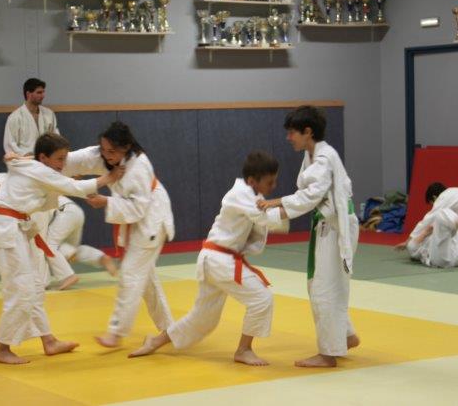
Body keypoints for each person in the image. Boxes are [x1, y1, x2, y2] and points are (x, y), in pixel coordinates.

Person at [128, 151, 288, 365]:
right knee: (262, 298)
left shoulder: (253, 196)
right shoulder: (240, 194)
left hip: (215, 260)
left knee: (203, 319)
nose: (274, 186)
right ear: (252, 180)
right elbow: (265, 218)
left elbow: (262, 221)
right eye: (270, 182)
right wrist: (299, 203)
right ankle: (244, 350)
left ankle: (155, 341)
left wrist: (288, 207)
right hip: (220, 260)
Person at [0, 133, 123, 364]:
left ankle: (49, 341)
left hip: (17, 232)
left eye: (65, 158)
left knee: (34, 286)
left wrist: (20, 159)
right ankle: (2, 347)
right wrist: (110, 177)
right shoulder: (35, 169)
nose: (63, 164)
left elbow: (51, 190)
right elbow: (74, 187)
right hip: (7, 235)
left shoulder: (34, 169)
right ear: (43, 157)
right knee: (23, 290)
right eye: (59, 159)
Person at [257, 105, 360, 368]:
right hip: (329, 224)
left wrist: (274, 204)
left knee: (323, 287)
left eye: (292, 132)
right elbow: (306, 196)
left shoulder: (324, 158)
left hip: (336, 226)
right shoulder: (313, 155)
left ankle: (328, 353)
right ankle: (345, 336)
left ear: (308, 132)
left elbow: (309, 197)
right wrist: (274, 211)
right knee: (326, 285)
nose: (288, 137)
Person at [62, 121, 175, 349]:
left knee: (130, 275)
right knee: (145, 279)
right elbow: (70, 160)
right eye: (103, 149)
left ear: (126, 147)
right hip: (135, 218)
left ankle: (116, 332)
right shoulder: (102, 155)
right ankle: (169, 329)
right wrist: (33, 164)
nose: (106, 155)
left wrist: (106, 201)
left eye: (112, 151)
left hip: (151, 219)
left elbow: (138, 208)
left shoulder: (139, 167)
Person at [2, 77, 97, 289]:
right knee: (36, 233)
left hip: (48, 173)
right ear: (28, 93)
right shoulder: (15, 118)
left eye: (43, 92)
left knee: (40, 233)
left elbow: (58, 145)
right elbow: (10, 151)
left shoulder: (49, 115)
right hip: (29, 175)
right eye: (38, 92)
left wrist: (66, 169)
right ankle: (45, 277)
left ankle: (44, 279)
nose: (42, 96)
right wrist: (29, 161)